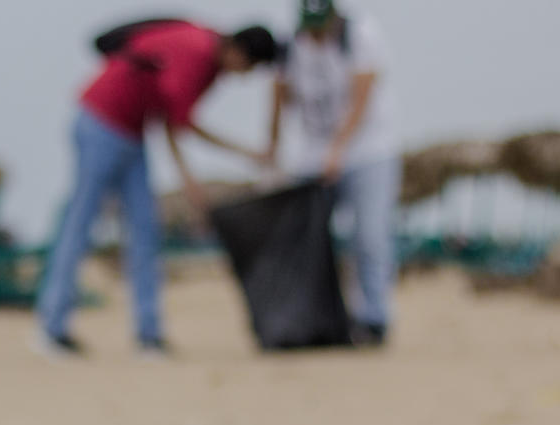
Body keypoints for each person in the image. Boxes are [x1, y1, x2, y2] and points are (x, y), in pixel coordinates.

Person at [37, 20, 278, 358]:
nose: (245, 75)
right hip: (102, 123)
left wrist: (238, 156)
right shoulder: (197, 54)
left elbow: (174, 116)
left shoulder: (210, 58)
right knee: (80, 223)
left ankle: (148, 334)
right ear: (239, 52)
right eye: (249, 67)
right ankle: (52, 327)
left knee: (145, 230)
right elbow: (176, 122)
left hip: (134, 134)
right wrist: (193, 177)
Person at [265, 0, 400, 346]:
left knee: (369, 237)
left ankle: (374, 320)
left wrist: (338, 150)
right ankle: (317, 318)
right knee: (309, 243)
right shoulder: (289, 46)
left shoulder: (361, 36)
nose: (316, 34)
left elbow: (361, 99)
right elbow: (279, 97)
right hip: (311, 158)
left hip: (369, 152)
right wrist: (274, 149)